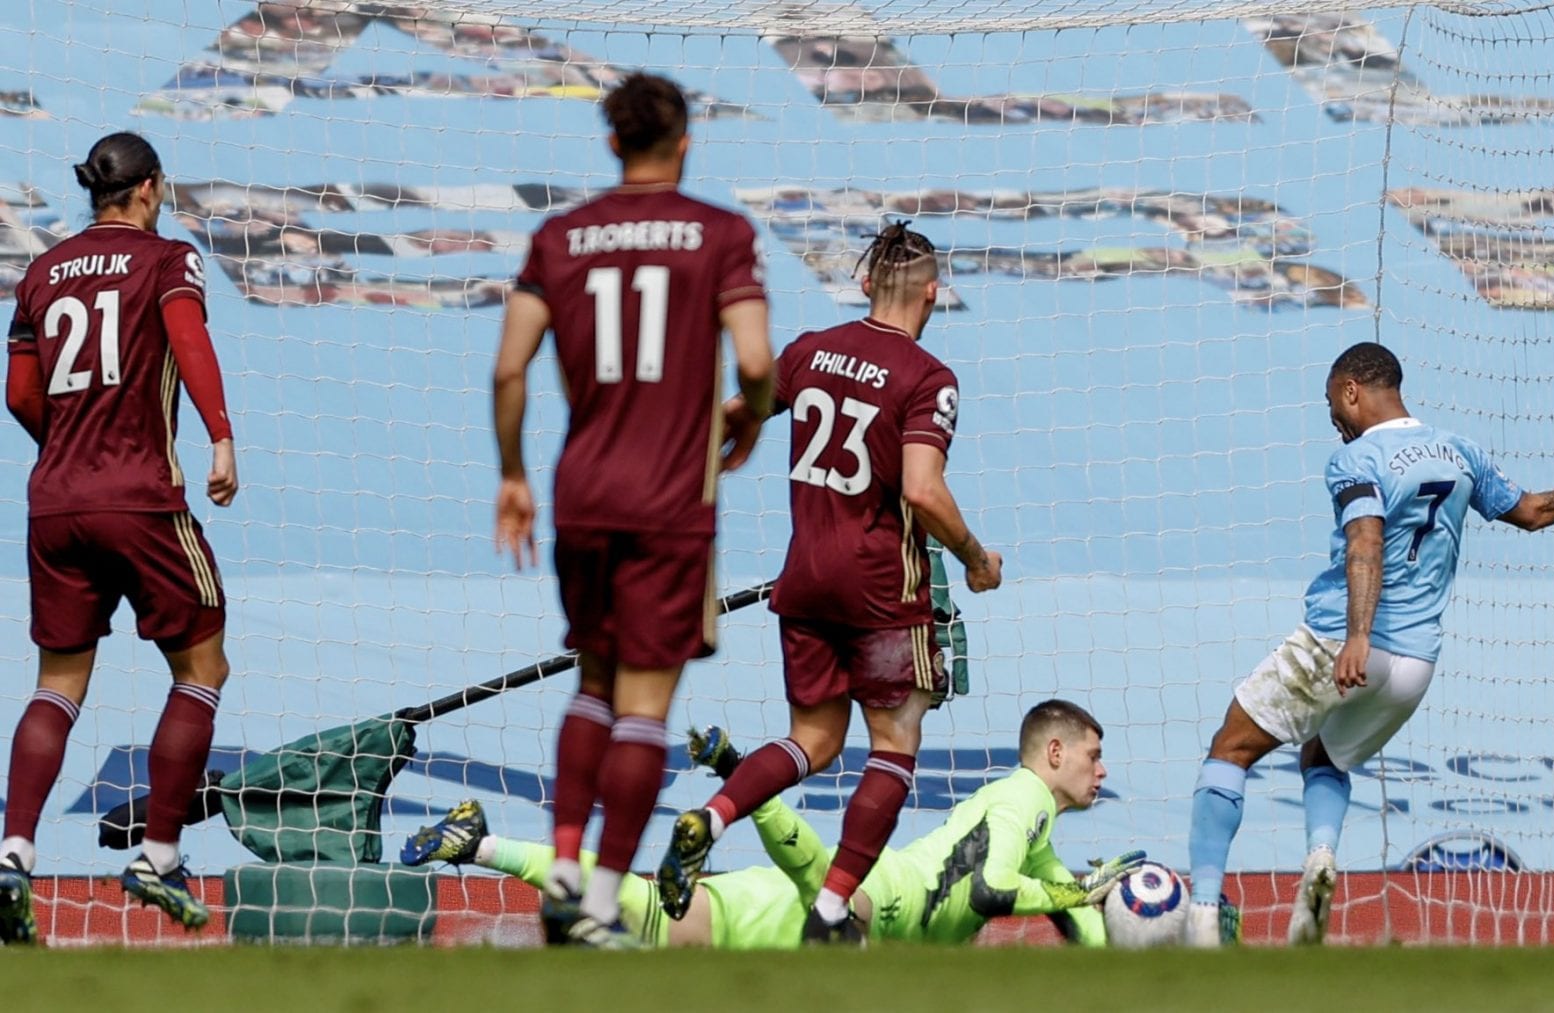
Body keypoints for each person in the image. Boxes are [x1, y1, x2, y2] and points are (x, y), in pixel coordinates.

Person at [1184, 342, 1554, 948]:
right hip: (1415, 665)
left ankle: (1203, 916)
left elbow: (1365, 542)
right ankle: (1320, 858)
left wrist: (1357, 637)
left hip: (1345, 642)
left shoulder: (1357, 460)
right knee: (1324, 757)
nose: (1333, 420)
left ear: (1350, 392)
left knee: (1229, 750)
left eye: (1331, 404)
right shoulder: (1458, 450)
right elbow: (1530, 512)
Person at [655, 220, 1002, 943]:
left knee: (811, 739)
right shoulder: (929, 378)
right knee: (894, 746)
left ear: (866, 283)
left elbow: (733, 415)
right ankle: (833, 909)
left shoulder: (811, 352)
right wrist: (973, 556)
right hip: (881, 592)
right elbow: (922, 489)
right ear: (934, 293)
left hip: (804, 581)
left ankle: (710, 816)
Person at [490, 72, 773, 948]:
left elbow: (509, 367)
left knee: (592, 682)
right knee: (646, 704)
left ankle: (564, 867)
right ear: (686, 142)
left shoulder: (560, 237)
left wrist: (512, 474)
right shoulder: (720, 234)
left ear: (610, 143)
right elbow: (758, 362)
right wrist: (749, 419)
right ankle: (603, 903)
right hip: (669, 502)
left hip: (583, 495)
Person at [0, 132, 239, 943]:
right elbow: (188, 340)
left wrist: (69, 448)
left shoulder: (40, 272)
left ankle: (14, 853)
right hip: (139, 496)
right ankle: (159, 853)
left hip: (55, 501)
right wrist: (221, 435)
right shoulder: (168, 260)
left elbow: (20, 394)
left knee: (58, 682)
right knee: (204, 664)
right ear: (147, 190)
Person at [405, 700, 1135, 948]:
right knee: (829, 893)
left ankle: (481, 839)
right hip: (887, 897)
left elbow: (1069, 903)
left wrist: (1094, 905)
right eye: (1094, 756)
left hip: (772, 910)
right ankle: (739, 786)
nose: (1102, 771)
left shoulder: (1031, 817)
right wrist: (1080, 898)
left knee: (644, 916)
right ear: (1056, 750)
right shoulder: (1025, 799)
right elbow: (991, 892)